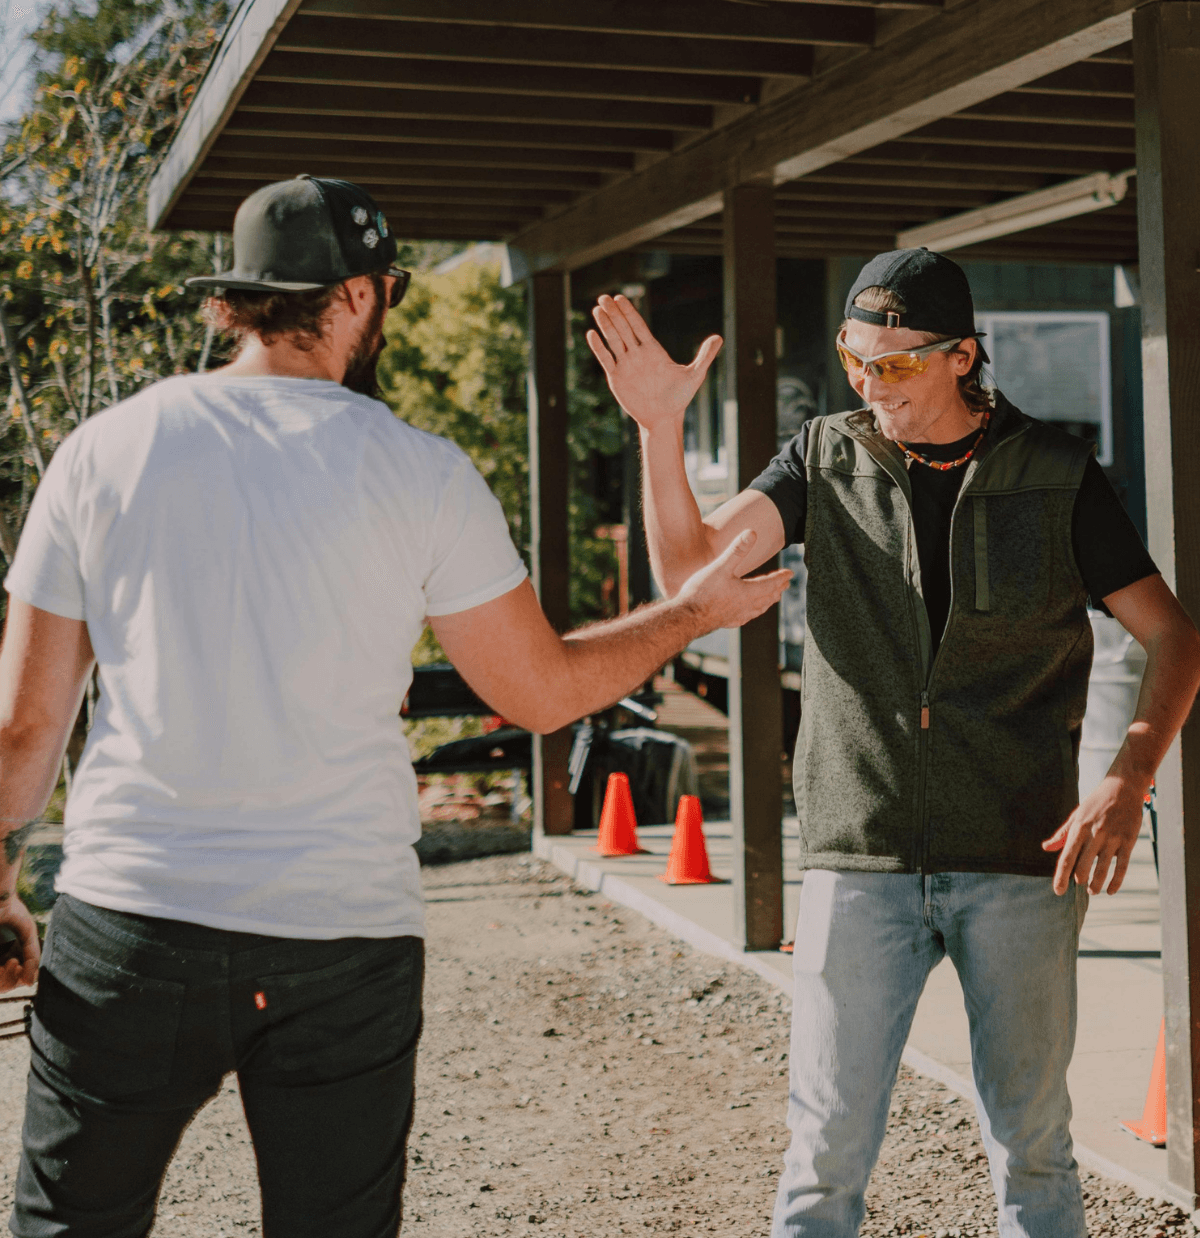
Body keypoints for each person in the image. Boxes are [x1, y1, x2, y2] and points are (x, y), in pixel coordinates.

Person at [0, 174, 791, 1238]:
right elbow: (543, 690)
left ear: (237, 300)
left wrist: (1, 879)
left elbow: (21, 735)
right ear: (360, 296)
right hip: (339, 934)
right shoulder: (419, 472)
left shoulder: (103, 450)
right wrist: (686, 615)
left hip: (133, 923)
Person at [586, 246, 1200, 1238]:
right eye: (856, 359)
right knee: (822, 1155)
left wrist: (1130, 772)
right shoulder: (822, 457)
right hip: (858, 857)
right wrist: (659, 429)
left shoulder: (1054, 474)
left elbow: (1174, 635)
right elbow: (692, 573)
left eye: (898, 364)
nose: (872, 385)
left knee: (1033, 1149)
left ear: (963, 357)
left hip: (1019, 858)